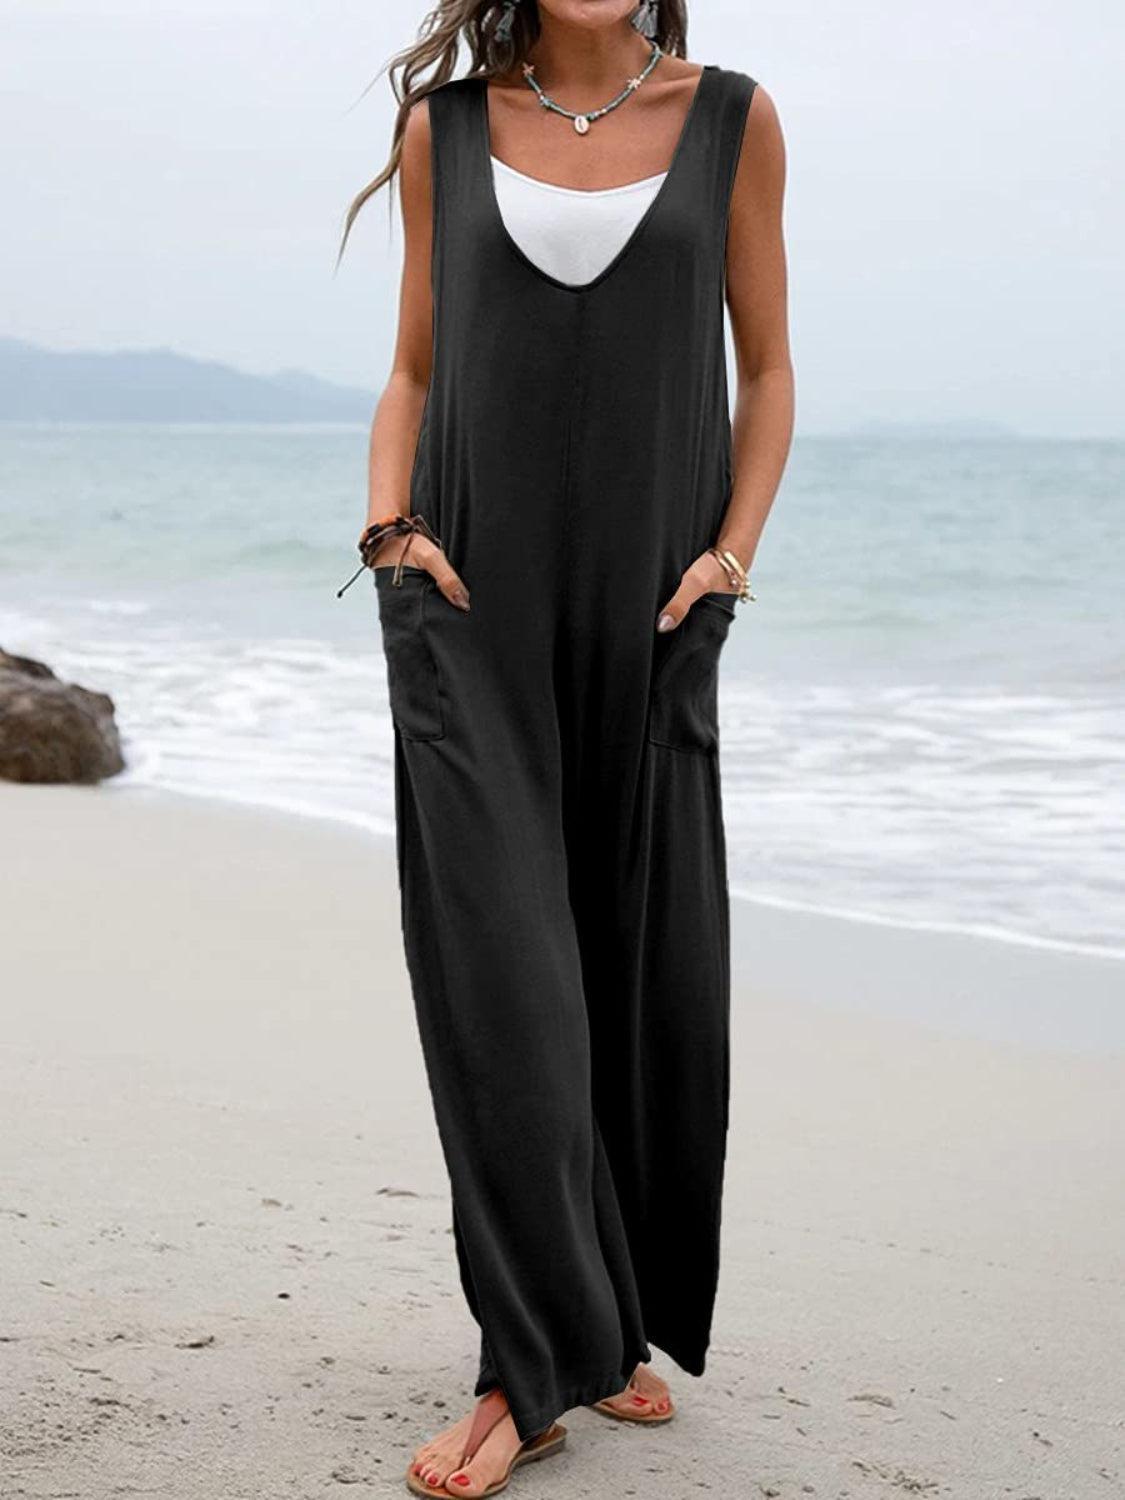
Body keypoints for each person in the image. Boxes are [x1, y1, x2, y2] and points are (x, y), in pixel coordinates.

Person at [340, 1, 792, 1492]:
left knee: (632, 968)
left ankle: (602, 1331)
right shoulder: (446, 129)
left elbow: (767, 371)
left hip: (654, 614)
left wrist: (727, 558)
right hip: (468, 610)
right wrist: (390, 536)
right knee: (502, 984)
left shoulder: (732, 119)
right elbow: (410, 368)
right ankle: (517, 1374)